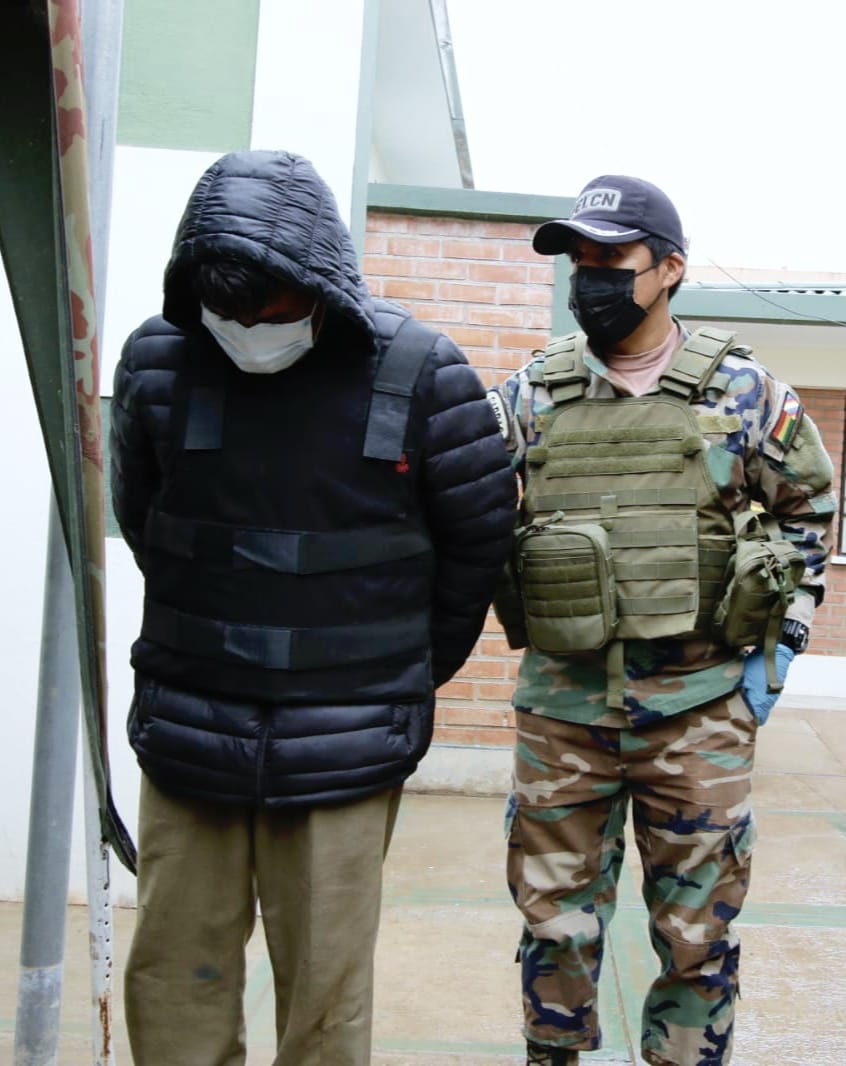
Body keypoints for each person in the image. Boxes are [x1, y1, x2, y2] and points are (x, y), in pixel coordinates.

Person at [110, 148, 517, 1066]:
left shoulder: (423, 372)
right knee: (173, 977)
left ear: (323, 284)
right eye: (229, 314)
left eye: (273, 310)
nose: (251, 330)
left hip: (347, 742)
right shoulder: (161, 360)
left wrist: (390, 676)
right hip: (191, 727)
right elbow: (147, 521)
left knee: (326, 1000)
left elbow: (478, 544)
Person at [488, 174, 836, 1066]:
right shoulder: (530, 394)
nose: (590, 276)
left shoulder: (744, 392)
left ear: (670, 269)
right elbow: (466, 511)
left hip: (700, 708)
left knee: (697, 935)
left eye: (613, 258)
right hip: (562, 710)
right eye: (580, 259)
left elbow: (810, 508)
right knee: (554, 929)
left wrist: (782, 643)